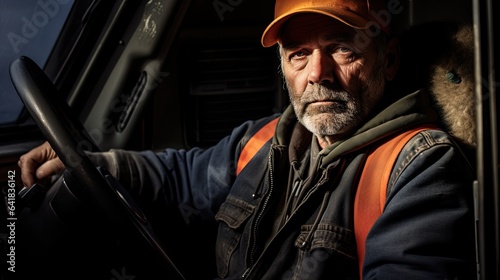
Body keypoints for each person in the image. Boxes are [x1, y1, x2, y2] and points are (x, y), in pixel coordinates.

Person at [18, 0, 477, 279]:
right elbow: (181, 175)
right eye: (299, 55)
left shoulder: (418, 168)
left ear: (388, 59)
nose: (317, 74)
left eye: (342, 48)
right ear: (283, 68)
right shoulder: (261, 142)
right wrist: (95, 162)